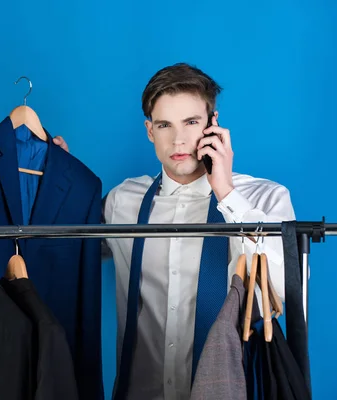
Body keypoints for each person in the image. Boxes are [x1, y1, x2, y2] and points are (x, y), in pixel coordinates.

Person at [53, 62, 296, 400]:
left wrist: (226, 193)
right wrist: (55, 177)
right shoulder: (124, 200)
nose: (178, 139)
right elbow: (72, 256)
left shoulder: (265, 198)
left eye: (191, 122)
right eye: (165, 124)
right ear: (150, 130)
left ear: (213, 125)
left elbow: (285, 288)